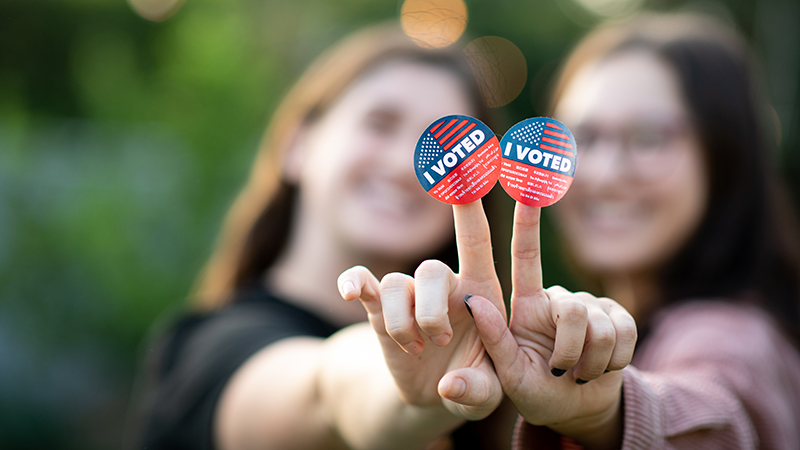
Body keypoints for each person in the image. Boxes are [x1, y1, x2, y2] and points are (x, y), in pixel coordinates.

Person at [340, 12, 800, 450]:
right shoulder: (634, 326)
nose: (602, 173)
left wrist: (609, 414)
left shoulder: (737, 336)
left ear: (724, 158)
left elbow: (724, 411)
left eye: (647, 137)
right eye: (582, 137)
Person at [125, 23, 521, 450]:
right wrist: (410, 399)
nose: (407, 165)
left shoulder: (478, 364)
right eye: (380, 124)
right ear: (297, 143)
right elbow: (330, 392)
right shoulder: (210, 351)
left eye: (444, 146)